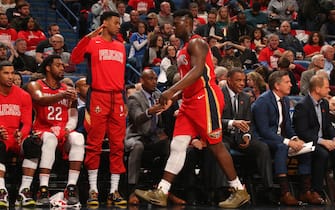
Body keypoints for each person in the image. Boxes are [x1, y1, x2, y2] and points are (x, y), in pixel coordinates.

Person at [134, 10, 250, 209]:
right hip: (189, 101)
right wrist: (176, 97)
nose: (172, 26)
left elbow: (197, 72)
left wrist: (170, 91)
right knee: (178, 145)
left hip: (206, 97)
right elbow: (188, 81)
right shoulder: (181, 50)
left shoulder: (198, 43)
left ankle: (239, 189)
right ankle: (162, 191)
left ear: (188, 23)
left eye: (177, 23)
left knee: (215, 145)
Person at [71, 11, 127, 207]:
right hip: (98, 97)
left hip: (118, 97)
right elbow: (75, 58)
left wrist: (125, 100)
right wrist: (90, 36)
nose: (119, 25)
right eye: (115, 22)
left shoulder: (121, 46)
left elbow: (121, 75)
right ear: (104, 23)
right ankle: (93, 190)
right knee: (94, 144)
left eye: (119, 23)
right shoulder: (93, 43)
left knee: (118, 145)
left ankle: (114, 190)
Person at [26, 55, 85, 207]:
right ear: (47, 67)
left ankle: (71, 187)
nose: (62, 68)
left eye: (63, 65)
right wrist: (61, 95)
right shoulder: (35, 85)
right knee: (50, 138)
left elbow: (73, 115)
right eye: (58, 65)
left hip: (62, 130)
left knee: (78, 138)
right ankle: (42, 188)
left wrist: (67, 129)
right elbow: (39, 99)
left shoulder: (68, 90)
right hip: (41, 129)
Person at [251, 70, 310, 206]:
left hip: (279, 138)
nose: (291, 85)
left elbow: (287, 126)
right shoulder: (263, 102)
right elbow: (264, 131)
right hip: (263, 140)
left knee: (305, 148)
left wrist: (295, 138)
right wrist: (288, 141)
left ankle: (306, 190)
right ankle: (285, 193)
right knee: (282, 147)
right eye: (287, 82)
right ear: (277, 86)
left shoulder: (285, 100)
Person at [218, 67, 274, 195]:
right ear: (229, 80)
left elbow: (248, 122)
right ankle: (223, 191)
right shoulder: (219, 95)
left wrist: (247, 136)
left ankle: (268, 188)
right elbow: (214, 121)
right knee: (223, 148)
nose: (243, 83)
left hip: (239, 138)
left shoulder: (245, 97)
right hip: (222, 137)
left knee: (262, 147)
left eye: (244, 80)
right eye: (238, 80)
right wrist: (232, 123)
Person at [125, 69, 170, 205]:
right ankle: (132, 189)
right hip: (137, 135)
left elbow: (164, 119)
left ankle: (161, 188)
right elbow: (137, 118)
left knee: (169, 146)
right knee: (137, 147)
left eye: (155, 79)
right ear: (142, 81)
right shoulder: (134, 97)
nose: (154, 82)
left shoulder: (159, 94)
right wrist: (150, 111)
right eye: (150, 79)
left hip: (154, 136)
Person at [0, 61, 40, 208]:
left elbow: (28, 123)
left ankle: (24, 190)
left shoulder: (23, 95)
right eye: (6, 73)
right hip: (1, 139)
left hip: (16, 139)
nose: (10, 77)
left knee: (34, 142)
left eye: (12, 73)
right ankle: (1, 190)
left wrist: (21, 134)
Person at [293, 75, 332, 205]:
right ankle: (316, 190)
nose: (329, 90)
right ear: (317, 88)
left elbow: (327, 126)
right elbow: (302, 132)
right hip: (308, 143)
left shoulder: (324, 103)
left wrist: (333, 139)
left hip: (323, 141)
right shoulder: (302, 105)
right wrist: (323, 142)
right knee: (322, 153)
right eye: (326, 87)